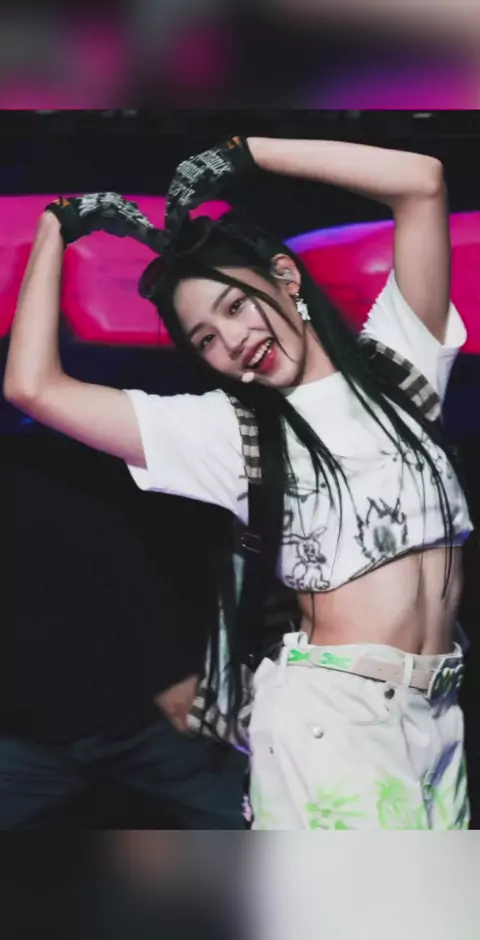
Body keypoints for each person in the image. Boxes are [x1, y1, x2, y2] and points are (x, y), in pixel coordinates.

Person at [3, 138, 474, 829]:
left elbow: (421, 182)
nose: (231, 342)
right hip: (336, 724)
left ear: (285, 278)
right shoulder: (229, 432)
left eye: (234, 307)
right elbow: (33, 387)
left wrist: (248, 152)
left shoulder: (399, 369)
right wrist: (56, 226)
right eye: (204, 339)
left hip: (437, 712)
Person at [0, 320, 246, 832]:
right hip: (25, 739)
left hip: (135, 714)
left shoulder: (31, 475)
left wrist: (171, 671)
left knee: (248, 817)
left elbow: (116, 558)